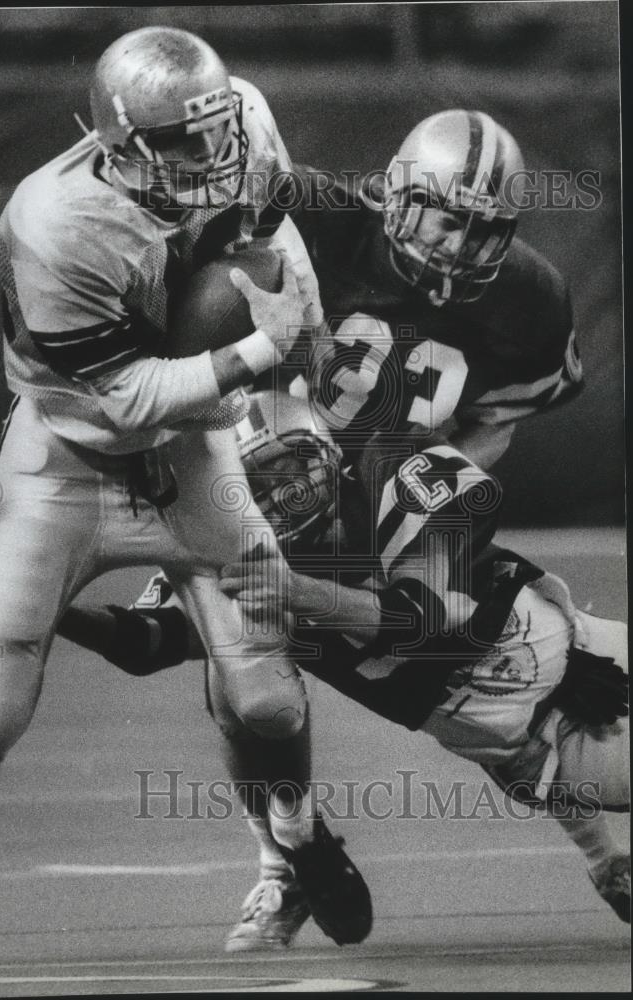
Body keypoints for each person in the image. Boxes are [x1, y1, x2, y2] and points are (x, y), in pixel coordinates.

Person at [0, 26, 373, 974]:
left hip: (190, 452)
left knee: (265, 696)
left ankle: (293, 845)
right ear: (120, 143)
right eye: (182, 141)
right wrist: (258, 351)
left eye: (215, 129)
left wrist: (287, 347)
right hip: (72, 457)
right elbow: (126, 398)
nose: (211, 153)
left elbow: (272, 252)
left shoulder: (245, 137)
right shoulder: (53, 226)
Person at [55, 110, 589, 950]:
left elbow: (497, 419)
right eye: (447, 216)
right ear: (399, 196)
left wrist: (433, 487)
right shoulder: (314, 218)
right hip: (274, 474)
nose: (459, 244)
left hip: (399, 497)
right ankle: (284, 860)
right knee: (244, 680)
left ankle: (597, 840)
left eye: (484, 228)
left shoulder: (531, 298)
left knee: (464, 678)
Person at [63, 410, 631, 939]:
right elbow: (145, 643)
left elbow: (428, 621)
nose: (284, 494)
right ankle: (291, 848)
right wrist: (51, 611)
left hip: (586, 655)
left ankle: (606, 862)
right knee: (232, 670)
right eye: (256, 486)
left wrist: (301, 592)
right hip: (532, 745)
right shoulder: (230, 561)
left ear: (325, 453)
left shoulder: (394, 473)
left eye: (288, 467)